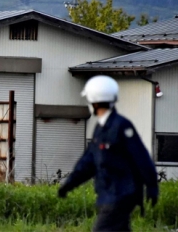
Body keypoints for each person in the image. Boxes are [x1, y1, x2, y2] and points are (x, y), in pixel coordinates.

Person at [57, 75, 159, 232]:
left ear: (95, 101)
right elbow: (88, 162)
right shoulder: (101, 128)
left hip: (121, 194)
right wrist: (69, 184)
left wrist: (152, 186)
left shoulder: (121, 126)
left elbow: (141, 157)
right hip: (109, 193)